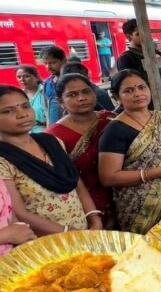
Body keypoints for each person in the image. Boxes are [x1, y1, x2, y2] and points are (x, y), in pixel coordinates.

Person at [0, 85, 102, 235]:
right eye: (8, 111)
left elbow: (76, 183)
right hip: (45, 242)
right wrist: (69, 233)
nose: (22, 114)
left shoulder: (51, 142)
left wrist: (94, 217)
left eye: (25, 106)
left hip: (83, 231)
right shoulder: (3, 160)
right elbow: (19, 213)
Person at [98, 70, 161, 233]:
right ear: (117, 97)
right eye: (128, 90)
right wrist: (156, 172)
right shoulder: (115, 130)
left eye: (142, 87)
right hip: (140, 210)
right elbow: (108, 177)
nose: (138, 93)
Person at [47, 74, 116, 227]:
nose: (81, 98)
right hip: (85, 204)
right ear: (61, 101)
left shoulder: (110, 119)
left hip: (122, 193)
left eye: (86, 92)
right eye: (72, 95)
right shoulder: (54, 135)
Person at [116, 19, 161, 98]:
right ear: (129, 37)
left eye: (147, 33)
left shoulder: (157, 53)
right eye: (138, 34)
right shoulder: (126, 59)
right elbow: (130, 87)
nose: (145, 36)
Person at [40, 45, 66, 126]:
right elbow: (47, 109)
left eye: (53, 62)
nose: (48, 67)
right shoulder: (47, 83)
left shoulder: (75, 80)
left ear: (64, 60)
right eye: (46, 63)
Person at [15, 65, 46, 133]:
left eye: (26, 76)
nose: (22, 80)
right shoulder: (19, 95)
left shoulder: (45, 92)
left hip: (44, 132)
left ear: (36, 77)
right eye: (19, 77)